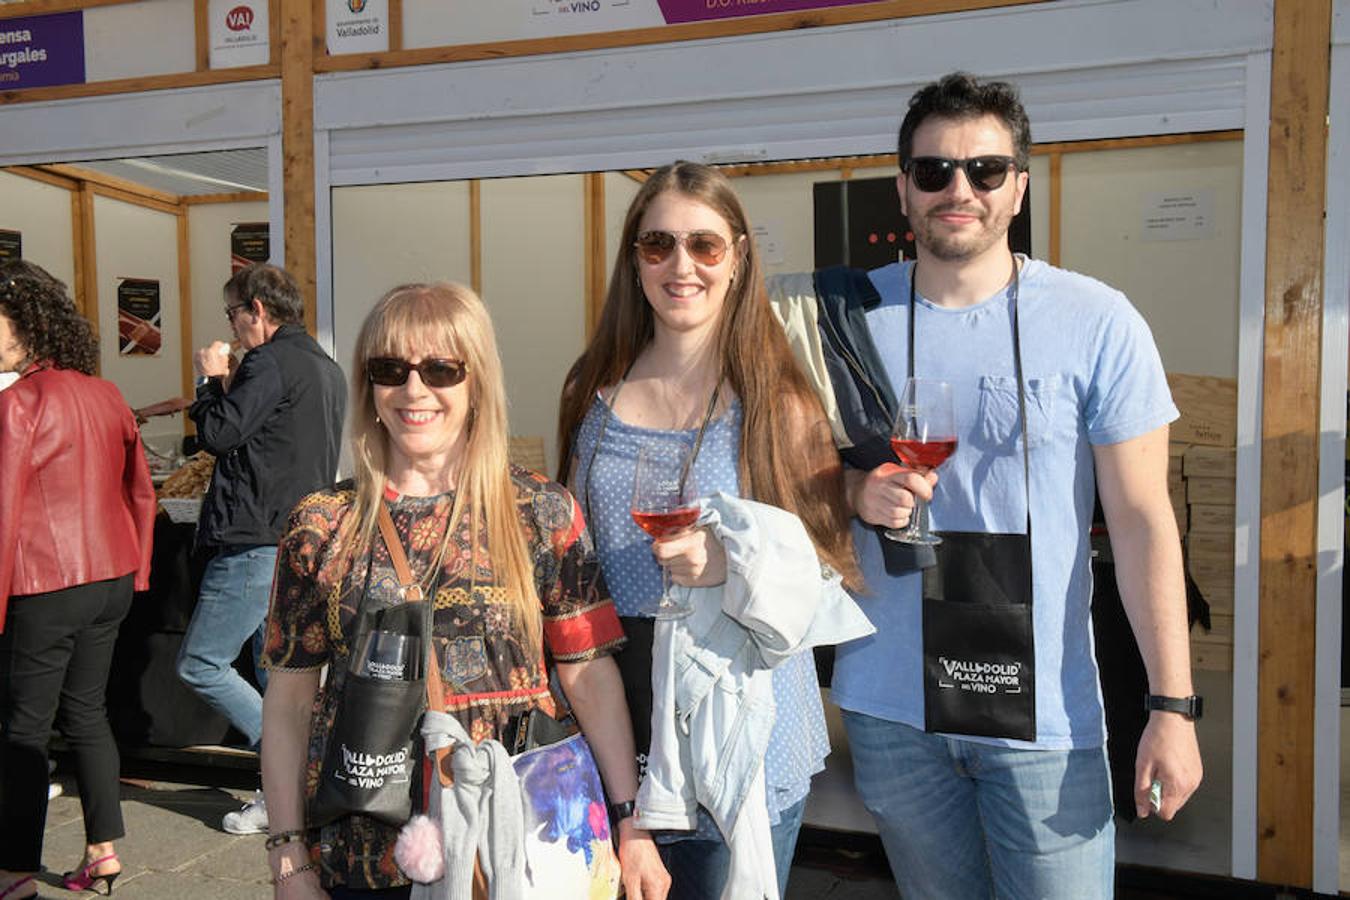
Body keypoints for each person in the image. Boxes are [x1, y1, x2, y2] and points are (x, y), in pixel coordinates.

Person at [802, 72, 1203, 899]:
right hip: (890, 706)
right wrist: (850, 493)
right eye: (934, 171)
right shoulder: (841, 324)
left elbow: (1141, 521)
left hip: (1044, 718)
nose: (960, 189)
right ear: (902, 188)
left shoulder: (1099, 321)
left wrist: (1174, 707)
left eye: (986, 170)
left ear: (1019, 186)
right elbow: (783, 478)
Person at [259, 282, 669, 899]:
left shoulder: (540, 513)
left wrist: (630, 822)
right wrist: (289, 858)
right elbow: (289, 702)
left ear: (475, 382)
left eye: (442, 369)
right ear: (369, 386)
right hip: (369, 851)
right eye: (390, 368)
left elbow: (589, 676)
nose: (414, 390)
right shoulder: (322, 523)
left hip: (522, 837)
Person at [556, 161, 861, 899]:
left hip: (737, 728)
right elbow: (566, 561)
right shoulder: (589, 388)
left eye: (705, 245)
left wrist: (735, 561)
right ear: (634, 261)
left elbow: (828, 570)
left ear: (738, 259)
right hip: (616, 720)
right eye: (658, 244)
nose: (681, 265)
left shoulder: (776, 400)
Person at [0, 260, 157, 900]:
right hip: (110, 575)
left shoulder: (18, 403)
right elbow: (141, 492)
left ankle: (12, 874)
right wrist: (139, 567)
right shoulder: (107, 393)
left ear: (27, 327)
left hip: (45, 583)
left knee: (21, 731)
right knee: (87, 713)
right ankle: (103, 851)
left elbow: (3, 508)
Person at [178, 262, 347, 835]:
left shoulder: (269, 362)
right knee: (274, 670)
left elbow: (220, 435)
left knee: (200, 662)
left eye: (233, 314)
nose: (231, 325)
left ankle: (290, 765)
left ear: (257, 310)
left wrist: (209, 380)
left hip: (255, 540)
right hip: (299, 539)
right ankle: (283, 795)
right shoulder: (323, 366)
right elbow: (266, 439)